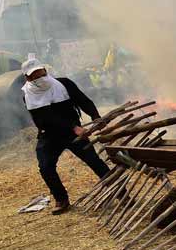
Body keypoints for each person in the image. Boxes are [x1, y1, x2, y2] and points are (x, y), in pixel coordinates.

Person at [20, 57, 110, 214]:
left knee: (94, 161)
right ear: (28, 78)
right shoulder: (28, 95)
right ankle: (61, 199)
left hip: (72, 133)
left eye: (41, 73)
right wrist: (73, 127)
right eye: (35, 76)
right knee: (46, 167)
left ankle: (123, 194)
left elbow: (83, 101)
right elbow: (45, 118)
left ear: (45, 71)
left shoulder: (63, 84)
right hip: (49, 135)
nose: (40, 78)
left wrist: (95, 116)